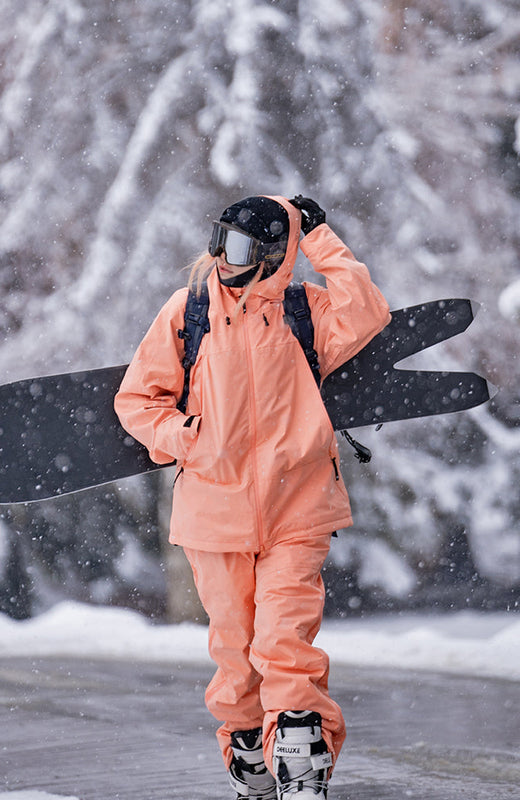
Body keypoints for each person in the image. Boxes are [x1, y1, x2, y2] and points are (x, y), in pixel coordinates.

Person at [114, 195, 391, 799]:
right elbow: (137, 400)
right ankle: (249, 753)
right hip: (213, 513)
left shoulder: (303, 311)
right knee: (237, 656)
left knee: (284, 645)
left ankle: (300, 762)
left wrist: (318, 238)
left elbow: (367, 311)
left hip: (300, 506)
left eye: (236, 247)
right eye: (218, 240)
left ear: (270, 255)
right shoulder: (189, 313)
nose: (219, 257)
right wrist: (184, 437)